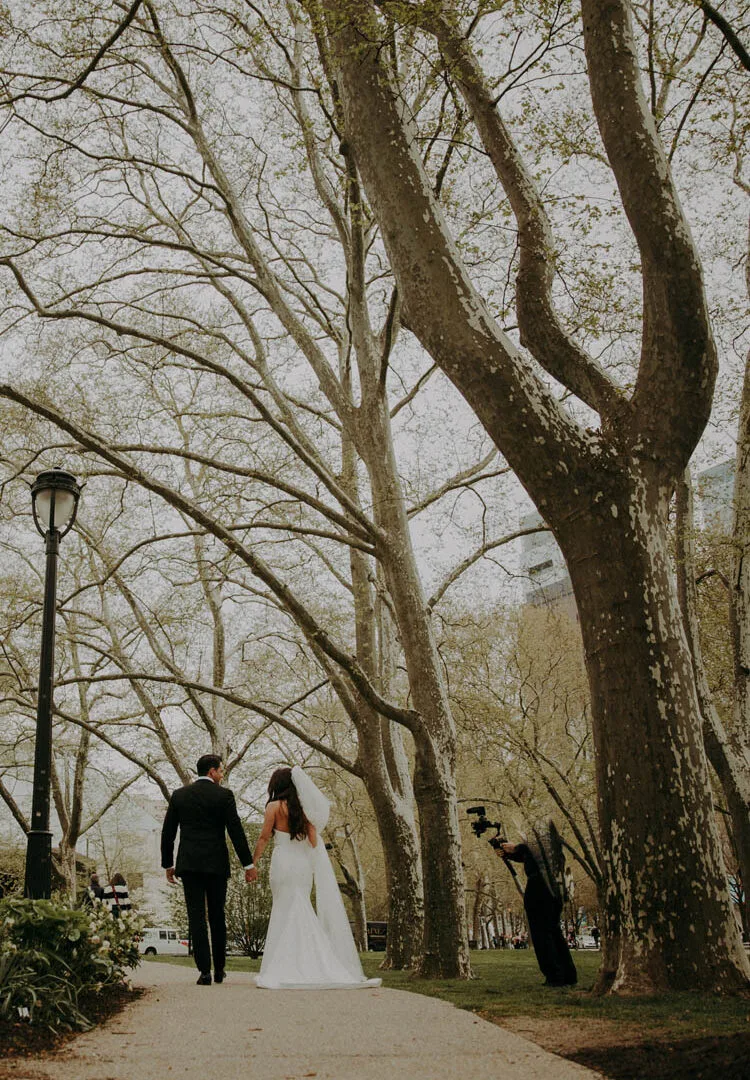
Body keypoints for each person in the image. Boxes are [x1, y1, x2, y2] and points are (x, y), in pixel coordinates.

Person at [251, 765, 380, 990]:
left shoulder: (273, 807)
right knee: (301, 906)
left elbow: (263, 837)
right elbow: (313, 842)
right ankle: (314, 961)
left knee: (283, 907)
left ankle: (282, 963)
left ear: (276, 785)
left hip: (282, 862)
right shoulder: (304, 810)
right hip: (301, 866)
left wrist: (252, 863)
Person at [161, 753, 257, 985]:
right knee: (217, 915)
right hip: (216, 864)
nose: (222, 775)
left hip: (190, 864)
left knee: (196, 917)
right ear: (212, 771)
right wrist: (248, 864)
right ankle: (220, 969)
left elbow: (168, 832)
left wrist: (168, 864)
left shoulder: (180, 795)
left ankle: (204, 971)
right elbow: (236, 831)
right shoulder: (224, 796)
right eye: (221, 771)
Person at [499, 824, 577, 987]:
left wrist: (517, 848)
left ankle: (555, 976)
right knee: (553, 931)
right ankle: (567, 974)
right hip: (553, 888)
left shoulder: (543, 845)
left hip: (540, 888)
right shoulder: (550, 851)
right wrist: (509, 853)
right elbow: (531, 857)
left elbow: (534, 851)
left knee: (542, 933)